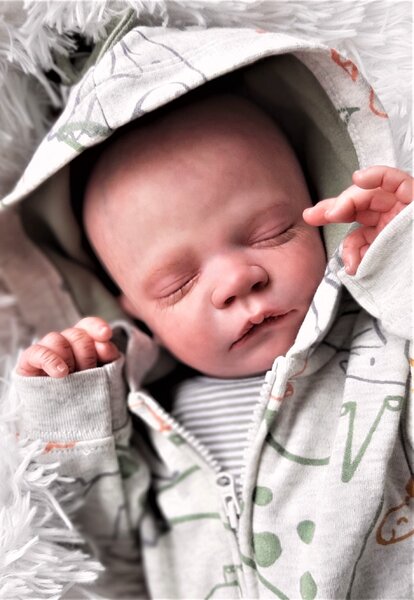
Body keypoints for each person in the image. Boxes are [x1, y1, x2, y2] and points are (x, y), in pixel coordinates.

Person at [13, 94, 413, 599]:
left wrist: (401, 256)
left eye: (272, 233)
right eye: (177, 284)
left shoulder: (384, 352)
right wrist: (70, 412)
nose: (235, 280)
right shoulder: (146, 424)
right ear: (135, 312)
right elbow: (87, 556)